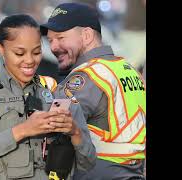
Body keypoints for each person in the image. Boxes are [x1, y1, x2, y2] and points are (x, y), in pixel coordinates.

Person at [0, 14, 96, 180]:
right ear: (0, 48)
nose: (29, 61)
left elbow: (88, 163)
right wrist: (22, 130)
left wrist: (75, 132)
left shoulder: (56, 91)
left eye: (36, 52)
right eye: (19, 53)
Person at [40, 3, 146, 180]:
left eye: (61, 38)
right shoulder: (126, 68)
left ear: (87, 35)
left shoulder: (87, 76)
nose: (54, 47)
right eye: (50, 40)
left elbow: (53, 127)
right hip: (133, 171)